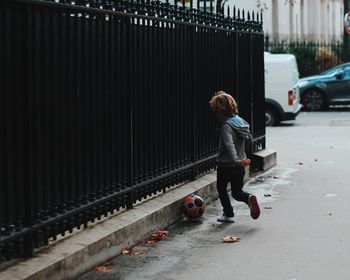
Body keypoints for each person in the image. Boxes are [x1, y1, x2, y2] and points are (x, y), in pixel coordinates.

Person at [209, 91, 260, 222]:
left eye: (216, 112)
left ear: (220, 111)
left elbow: (229, 144)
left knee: (221, 189)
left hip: (227, 165)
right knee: (237, 192)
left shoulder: (227, 126)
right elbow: (249, 139)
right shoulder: (242, 122)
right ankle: (249, 198)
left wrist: (235, 159)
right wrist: (245, 156)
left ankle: (228, 214)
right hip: (240, 165)